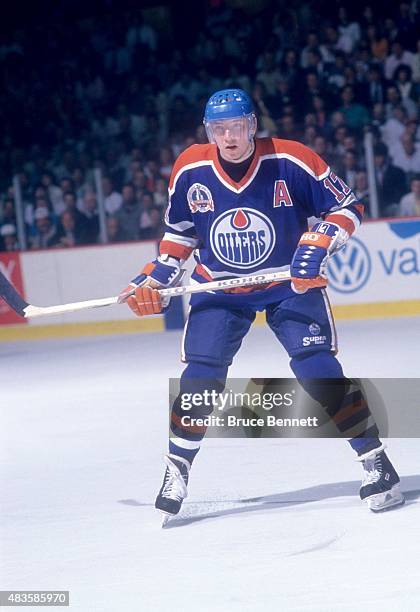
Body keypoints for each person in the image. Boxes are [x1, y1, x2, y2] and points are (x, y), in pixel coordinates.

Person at [119, 89, 404, 523]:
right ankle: (176, 468)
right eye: (219, 129)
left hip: (287, 282)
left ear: (253, 124)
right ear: (208, 131)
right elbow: (179, 234)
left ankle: (376, 462)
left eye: (236, 126)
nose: (229, 137)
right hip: (219, 285)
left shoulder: (292, 159)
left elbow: (347, 207)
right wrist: (157, 275)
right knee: (200, 377)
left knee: (317, 368)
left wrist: (321, 241)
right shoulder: (191, 167)